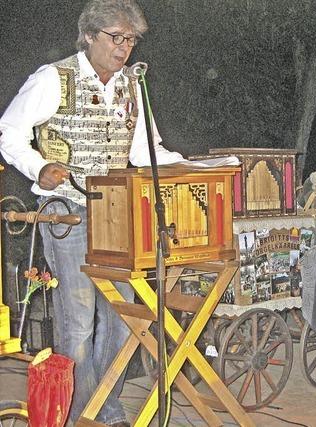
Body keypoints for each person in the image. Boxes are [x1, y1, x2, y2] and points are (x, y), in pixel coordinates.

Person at [0, 1, 185, 425]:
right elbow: (9, 131)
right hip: (67, 212)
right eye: (115, 37)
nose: (124, 48)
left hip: (119, 214)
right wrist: (38, 167)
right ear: (89, 35)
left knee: (124, 322)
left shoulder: (132, 87)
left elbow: (145, 152)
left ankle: (101, 402)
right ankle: (87, 411)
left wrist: (193, 167)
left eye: (131, 40)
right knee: (79, 323)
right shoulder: (53, 79)